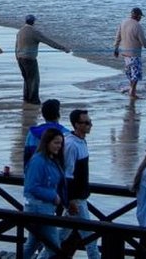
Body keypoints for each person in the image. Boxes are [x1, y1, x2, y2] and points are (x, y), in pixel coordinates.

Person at [22, 126, 68, 259]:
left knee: (33, 243)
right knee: (54, 247)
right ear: (47, 142)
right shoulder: (38, 161)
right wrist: (53, 196)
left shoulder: (52, 160)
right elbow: (31, 187)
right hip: (37, 208)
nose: (59, 146)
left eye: (60, 143)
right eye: (56, 143)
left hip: (45, 208)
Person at [61, 107, 101, 259]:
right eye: (86, 123)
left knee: (61, 236)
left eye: (90, 122)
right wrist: (71, 200)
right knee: (89, 236)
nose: (90, 125)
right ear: (77, 125)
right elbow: (68, 174)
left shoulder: (80, 142)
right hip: (76, 198)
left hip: (79, 196)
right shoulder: (72, 145)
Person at [113, 7, 146, 99]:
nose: (141, 18)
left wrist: (116, 48)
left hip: (125, 54)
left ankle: (131, 90)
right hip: (134, 55)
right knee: (136, 74)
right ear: (138, 16)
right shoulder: (137, 26)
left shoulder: (123, 22)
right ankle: (132, 92)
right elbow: (143, 41)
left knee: (130, 73)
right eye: (140, 16)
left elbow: (118, 36)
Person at [23, 98, 66, 167]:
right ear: (59, 114)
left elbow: (27, 156)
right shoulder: (64, 132)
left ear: (43, 115)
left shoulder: (32, 133)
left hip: (35, 169)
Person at [15, 14, 45, 104]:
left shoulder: (20, 31)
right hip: (29, 59)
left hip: (19, 58)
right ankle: (34, 100)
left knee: (27, 79)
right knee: (34, 79)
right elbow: (48, 41)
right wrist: (63, 48)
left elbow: (16, 46)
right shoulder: (34, 32)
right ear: (33, 22)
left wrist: (17, 57)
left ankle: (26, 98)